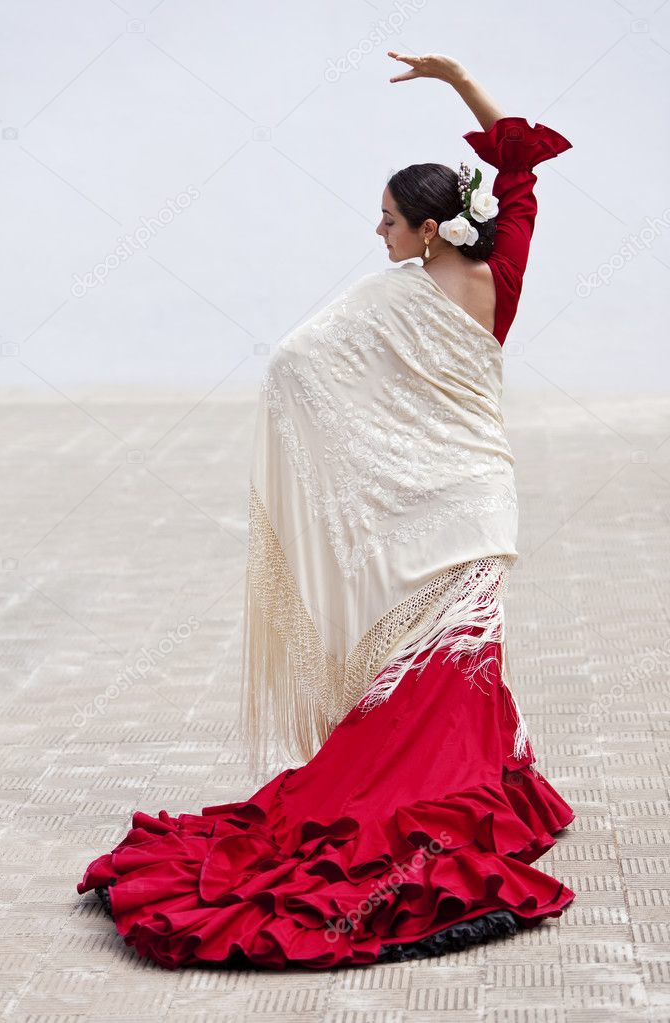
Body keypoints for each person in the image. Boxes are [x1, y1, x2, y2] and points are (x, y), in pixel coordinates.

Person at [77, 52, 576, 970]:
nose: (375, 230)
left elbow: (295, 365)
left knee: (446, 665)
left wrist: (360, 464)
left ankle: (463, 790)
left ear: (429, 229)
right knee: (458, 659)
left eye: (387, 219)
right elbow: (520, 164)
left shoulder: (396, 297)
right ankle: (481, 787)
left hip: (440, 496)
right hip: (480, 493)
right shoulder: (503, 262)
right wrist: (460, 81)